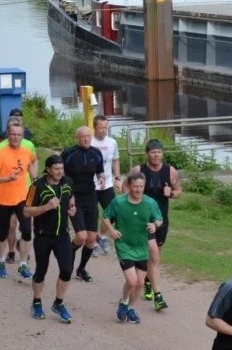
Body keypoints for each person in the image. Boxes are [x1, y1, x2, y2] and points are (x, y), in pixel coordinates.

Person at [101, 171, 161, 324]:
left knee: (140, 283)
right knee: (132, 281)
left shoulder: (150, 203)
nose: (138, 190)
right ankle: (124, 301)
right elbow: (106, 216)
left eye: (141, 186)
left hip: (142, 247)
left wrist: (154, 225)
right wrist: (112, 230)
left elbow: (159, 219)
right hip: (124, 245)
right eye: (135, 187)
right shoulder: (119, 202)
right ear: (129, 186)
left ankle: (131, 309)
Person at [23, 154, 77, 323]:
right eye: (56, 169)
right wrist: (46, 207)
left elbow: (71, 198)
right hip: (43, 236)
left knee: (67, 270)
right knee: (41, 271)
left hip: (62, 235)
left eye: (61, 168)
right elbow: (26, 211)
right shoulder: (36, 187)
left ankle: (58, 303)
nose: (60, 172)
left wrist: (72, 208)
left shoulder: (67, 182)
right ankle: (37, 301)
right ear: (47, 170)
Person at [130, 139, 181, 308]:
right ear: (147, 154)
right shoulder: (139, 170)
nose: (156, 155)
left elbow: (179, 190)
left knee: (156, 254)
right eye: (153, 152)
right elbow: (125, 189)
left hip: (161, 220)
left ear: (162, 154)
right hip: (142, 221)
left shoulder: (170, 171)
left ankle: (147, 280)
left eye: (159, 152)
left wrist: (171, 193)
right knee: (153, 256)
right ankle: (158, 296)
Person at [0, 122, 38, 280]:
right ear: (8, 135)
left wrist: (35, 178)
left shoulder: (26, 151)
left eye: (19, 135)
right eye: (13, 134)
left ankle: (23, 264)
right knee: (3, 232)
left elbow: (32, 162)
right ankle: (0, 260)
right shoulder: (0, 153)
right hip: (4, 198)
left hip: (23, 197)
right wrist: (7, 178)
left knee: (27, 231)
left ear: (22, 137)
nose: (16, 137)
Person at [62, 126, 105, 283]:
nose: (86, 139)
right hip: (74, 199)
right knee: (81, 236)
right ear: (77, 138)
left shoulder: (96, 153)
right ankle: (68, 263)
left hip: (90, 197)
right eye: (83, 137)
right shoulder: (69, 153)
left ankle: (81, 270)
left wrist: (101, 178)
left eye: (88, 136)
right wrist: (66, 195)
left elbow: (100, 170)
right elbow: (60, 174)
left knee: (91, 238)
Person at [91, 115, 121, 255]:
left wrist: (118, 178)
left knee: (112, 213)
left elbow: (115, 160)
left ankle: (101, 236)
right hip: (90, 185)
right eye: (101, 127)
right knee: (92, 215)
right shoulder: (89, 142)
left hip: (107, 184)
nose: (103, 130)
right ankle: (90, 244)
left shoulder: (112, 142)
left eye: (105, 127)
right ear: (94, 127)